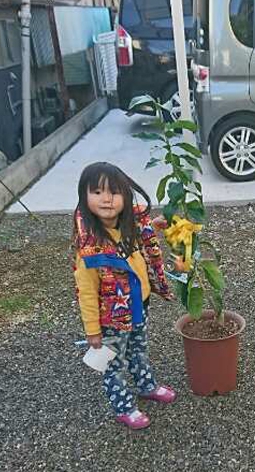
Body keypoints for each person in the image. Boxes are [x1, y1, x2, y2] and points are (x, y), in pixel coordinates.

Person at [72, 162, 176, 430]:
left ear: (126, 196)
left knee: (139, 350)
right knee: (112, 364)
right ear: (84, 196)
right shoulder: (90, 250)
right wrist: (92, 331)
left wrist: (152, 225)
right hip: (111, 319)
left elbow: (134, 248)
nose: (106, 199)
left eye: (114, 192)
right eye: (96, 192)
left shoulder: (129, 226)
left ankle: (146, 385)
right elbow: (86, 293)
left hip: (139, 305)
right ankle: (123, 406)